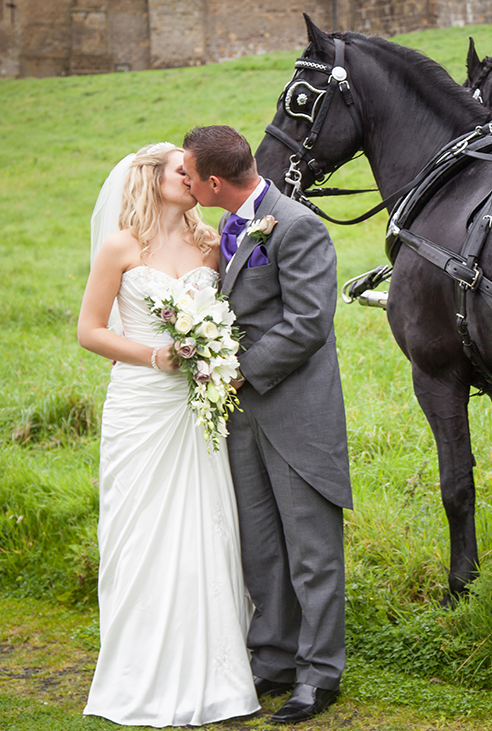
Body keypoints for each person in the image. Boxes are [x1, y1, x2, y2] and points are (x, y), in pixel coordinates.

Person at [77, 142, 259, 726]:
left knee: (207, 527)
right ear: (151, 179)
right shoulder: (121, 246)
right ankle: (139, 671)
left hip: (196, 406)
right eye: (181, 170)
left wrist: (212, 356)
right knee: (142, 531)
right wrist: (154, 356)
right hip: (141, 406)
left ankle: (217, 670)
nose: (193, 177)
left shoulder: (211, 243)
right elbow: (89, 330)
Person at [181, 125, 352, 725]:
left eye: (189, 174)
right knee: (261, 546)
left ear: (215, 181)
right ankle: (275, 658)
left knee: (312, 551)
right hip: (243, 417)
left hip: (296, 412)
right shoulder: (226, 228)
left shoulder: (296, 225)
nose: (186, 182)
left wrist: (238, 372)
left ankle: (320, 673)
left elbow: (308, 322)